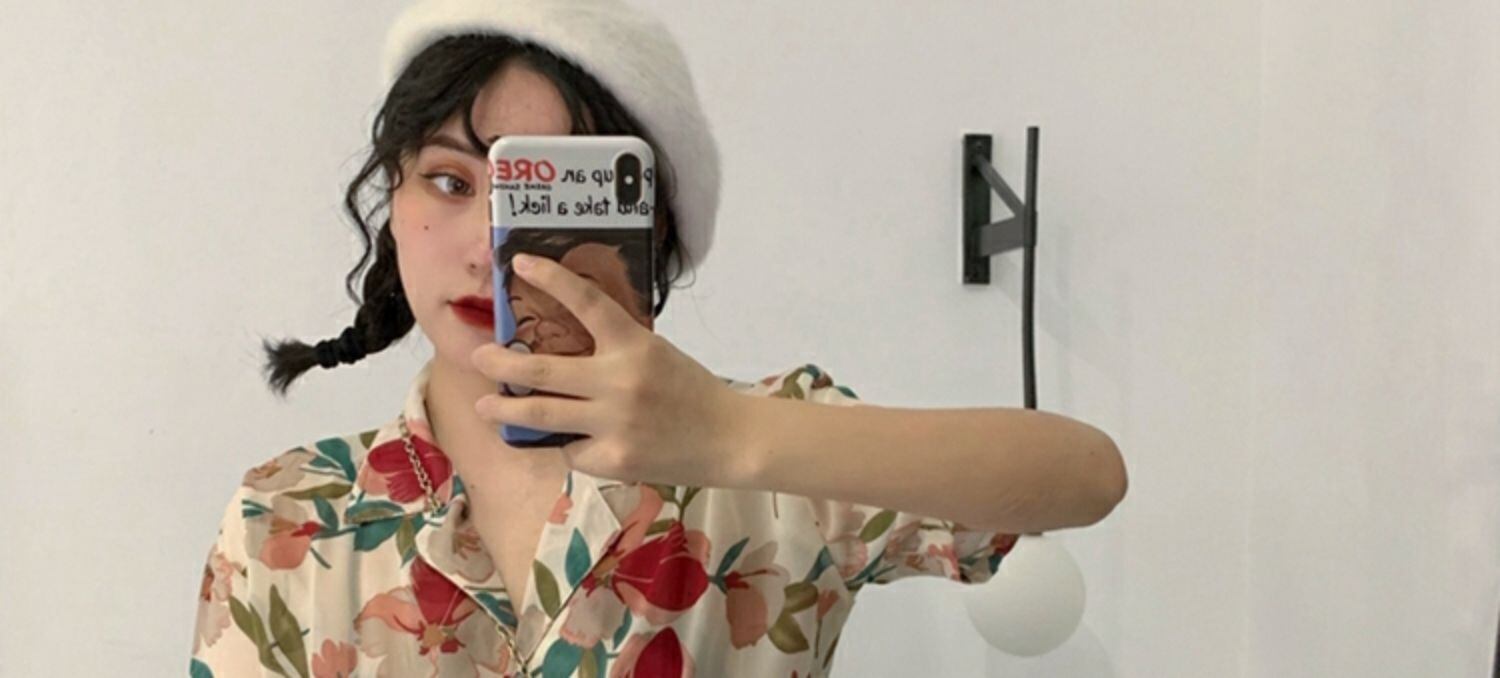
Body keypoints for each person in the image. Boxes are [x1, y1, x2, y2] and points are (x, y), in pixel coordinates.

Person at [188, 1, 1128, 676]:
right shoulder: (287, 517)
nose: (489, 249)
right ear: (391, 201)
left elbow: (1087, 477)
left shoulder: (776, 457)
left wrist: (732, 436)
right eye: (450, 181)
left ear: (651, 231)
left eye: (549, 198)